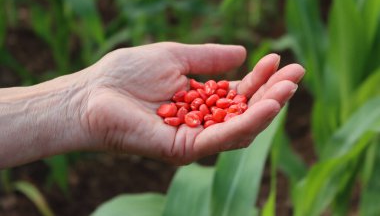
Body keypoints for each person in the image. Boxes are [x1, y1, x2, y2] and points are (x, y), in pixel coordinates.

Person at [0, 42, 305, 169]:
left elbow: (205, 103)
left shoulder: (200, 101)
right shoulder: (192, 103)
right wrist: (80, 100)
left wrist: (79, 98)